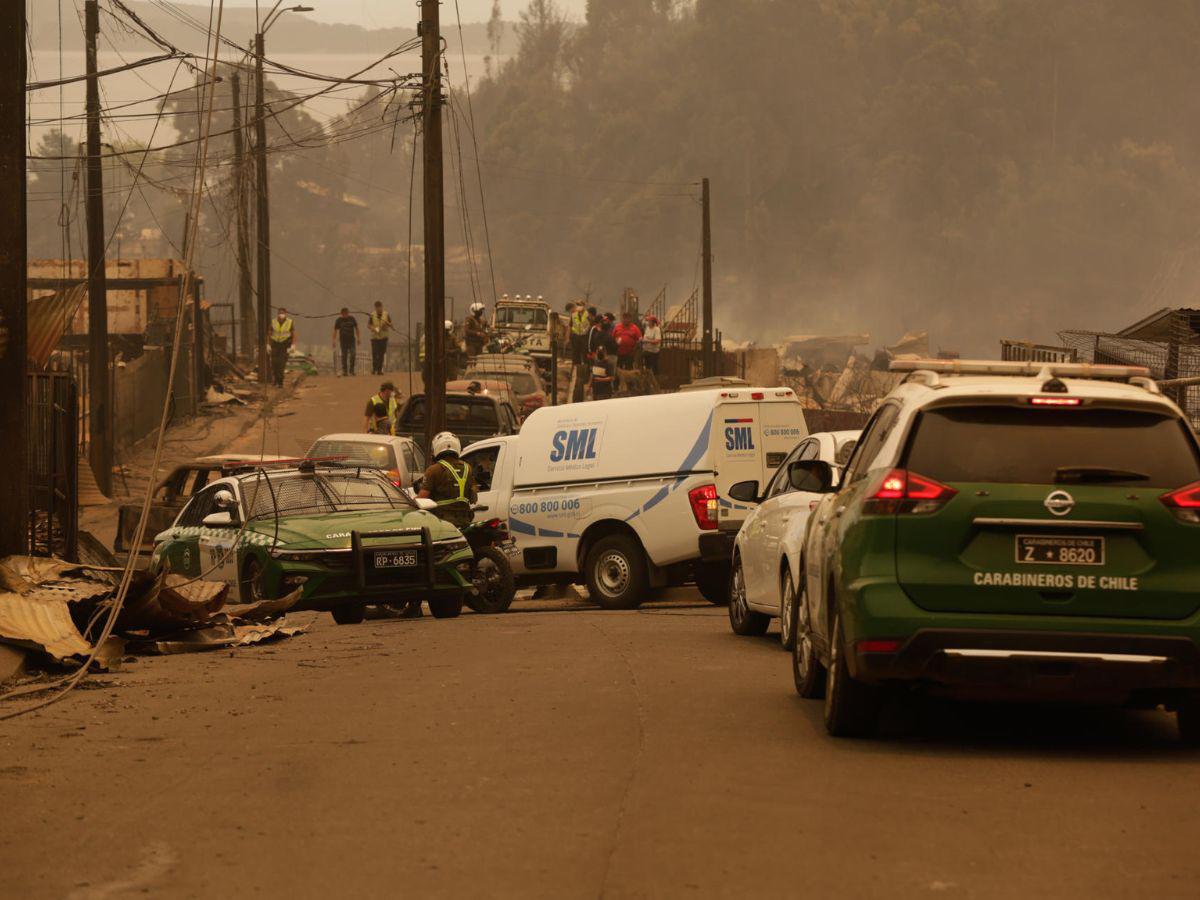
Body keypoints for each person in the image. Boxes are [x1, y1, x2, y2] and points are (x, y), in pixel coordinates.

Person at [419, 431, 478, 528]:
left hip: (442, 523)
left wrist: (410, 502)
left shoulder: (433, 469)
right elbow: (473, 499)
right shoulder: (468, 468)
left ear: (436, 448)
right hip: (465, 520)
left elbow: (422, 498)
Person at [269, 307, 295, 387]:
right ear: (277, 313)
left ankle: (280, 382)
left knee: (282, 364)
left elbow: (293, 334)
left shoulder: (289, 322)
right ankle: (275, 380)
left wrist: (293, 345)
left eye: (283, 313)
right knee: (274, 363)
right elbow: (269, 333)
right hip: (275, 344)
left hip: (284, 345)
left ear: (286, 314)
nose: (281, 315)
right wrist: (268, 344)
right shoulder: (273, 321)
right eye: (280, 313)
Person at [332, 307, 359, 377]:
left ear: (348, 313)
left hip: (351, 340)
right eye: (344, 314)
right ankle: (345, 371)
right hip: (343, 341)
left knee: (353, 354)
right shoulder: (339, 320)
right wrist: (333, 340)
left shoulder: (352, 319)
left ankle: (351, 370)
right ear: (341, 314)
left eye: (346, 314)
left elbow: (356, 328)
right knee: (344, 356)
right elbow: (335, 331)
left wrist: (358, 338)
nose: (345, 315)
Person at [368, 301, 392, 375]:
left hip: (384, 337)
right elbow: (369, 325)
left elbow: (391, 323)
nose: (379, 309)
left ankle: (379, 370)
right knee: (375, 353)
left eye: (380, 307)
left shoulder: (386, 314)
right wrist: (373, 329)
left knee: (381, 354)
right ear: (375, 308)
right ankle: (374, 368)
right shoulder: (372, 315)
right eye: (377, 307)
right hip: (375, 338)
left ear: (382, 307)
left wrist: (386, 325)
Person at [569, 301, 590, 366]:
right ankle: (575, 371)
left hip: (585, 337)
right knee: (575, 355)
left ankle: (585, 371)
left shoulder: (588, 315)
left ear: (584, 306)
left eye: (580, 305)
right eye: (577, 305)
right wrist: (570, 336)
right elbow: (570, 325)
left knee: (585, 355)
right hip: (576, 337)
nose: (578, 306)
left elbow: (591, 325)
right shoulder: (573, 314)